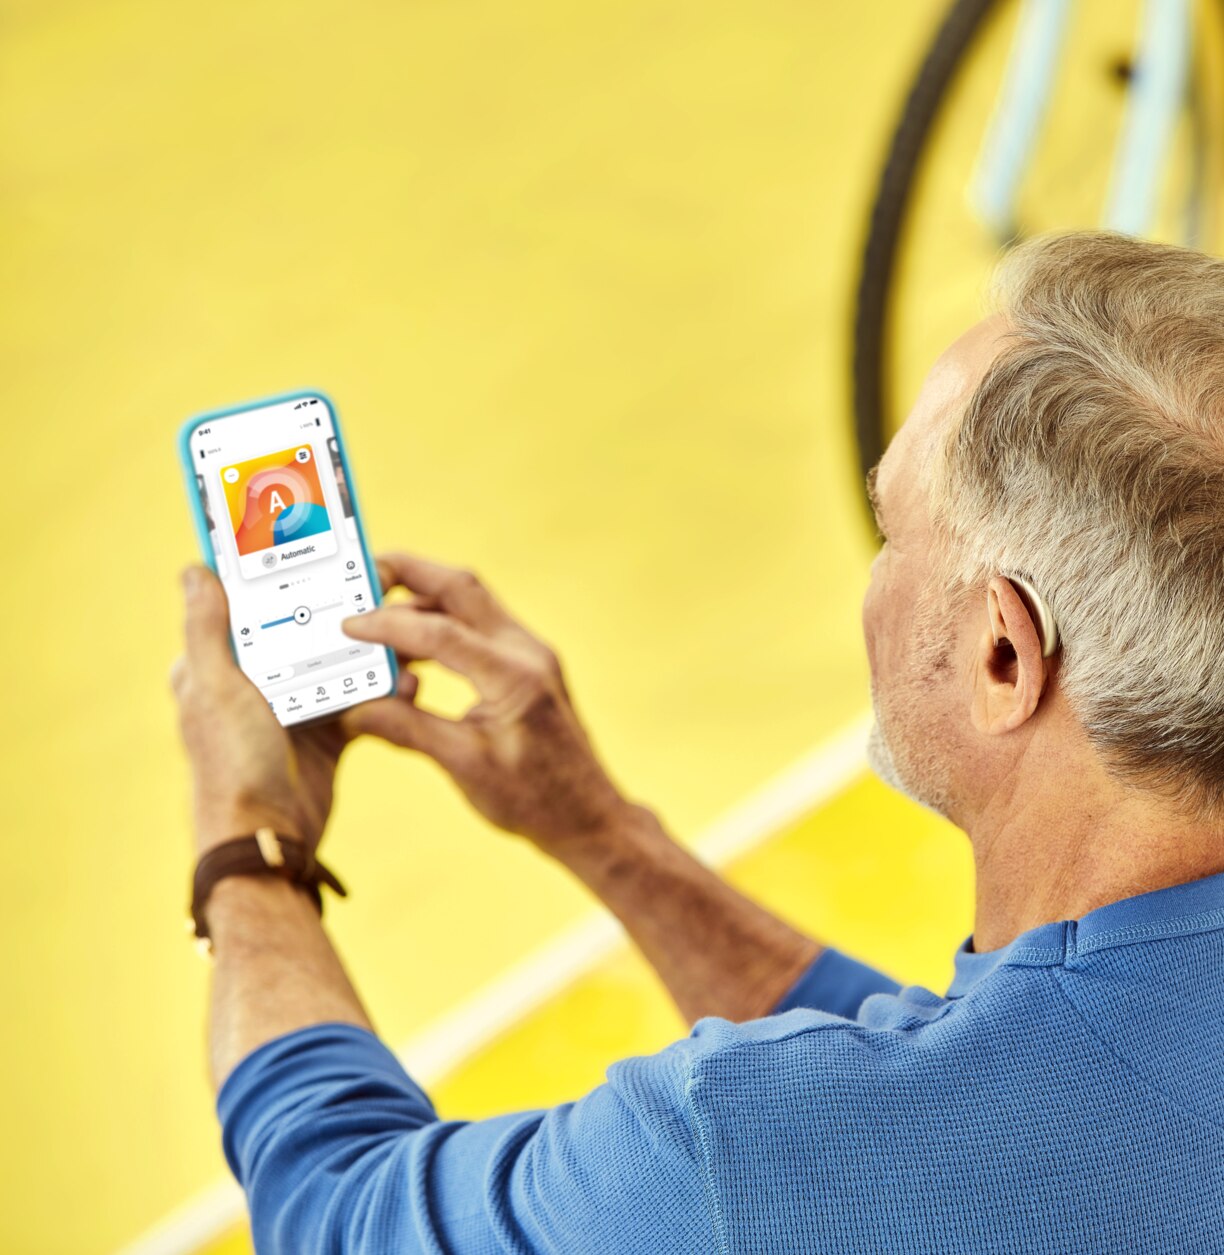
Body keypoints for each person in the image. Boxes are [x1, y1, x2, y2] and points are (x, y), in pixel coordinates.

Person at [171, 230, 1224, 1253]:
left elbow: (334, 1215)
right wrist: (607, 838)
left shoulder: (729, 1149)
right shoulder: (909, 1131)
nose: (876, 575)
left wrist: (250, 838)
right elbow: (966, 1103)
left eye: (892, 530)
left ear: (1004, 653)